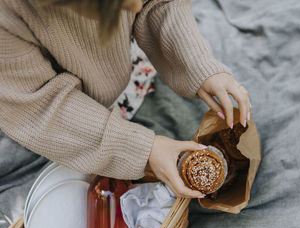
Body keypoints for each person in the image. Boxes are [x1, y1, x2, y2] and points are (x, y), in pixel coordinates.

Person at [0, 0, 251, 198]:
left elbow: (158, 3)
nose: (136, 8)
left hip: (122, 72)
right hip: (61, 111)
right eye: (116, 5)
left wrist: (198, 65)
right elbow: (39, 107)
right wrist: (143, 149)